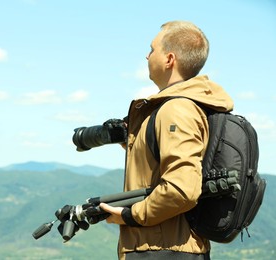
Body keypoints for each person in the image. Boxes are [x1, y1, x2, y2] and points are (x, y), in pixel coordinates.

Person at [99, 21, 234, 259]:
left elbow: (182, 189)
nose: (147, 55)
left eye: (152, 49)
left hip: (163, 250)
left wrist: (130, 215)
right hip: (163, 247)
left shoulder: (176, 109)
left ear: (169, 59)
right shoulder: (179, 107)